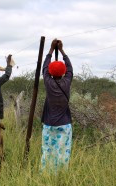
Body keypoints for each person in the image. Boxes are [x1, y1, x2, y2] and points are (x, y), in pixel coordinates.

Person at [40, 39, 73, 173]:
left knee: (47, 152)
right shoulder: (67, 82)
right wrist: (61, 50)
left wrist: (51, 50)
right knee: (63, 153)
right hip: (64, 125)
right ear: (64, 72)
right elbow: (70, 68)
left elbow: (44, 68)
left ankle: (46, 175)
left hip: (49, 124)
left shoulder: (48, 82)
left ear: (50, 72)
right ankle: (60, 175)